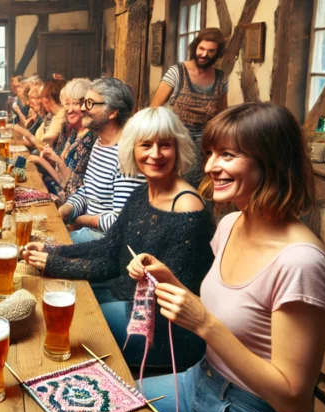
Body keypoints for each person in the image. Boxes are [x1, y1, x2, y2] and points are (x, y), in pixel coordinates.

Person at [133, 102, 325, 412]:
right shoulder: (230, 225)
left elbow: (292, 397)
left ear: (270, 161)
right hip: (201, 381)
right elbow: (225, 311)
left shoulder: (302, 263)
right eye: (210, 153)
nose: (211, 166)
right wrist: (169, 280)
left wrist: (205, 325)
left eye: (228, 154)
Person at [23, 107, 214, 369]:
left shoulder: (188, 210)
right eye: (146, 145)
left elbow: (162, 301)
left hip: (164, 332)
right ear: (132, 150)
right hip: (126, 298)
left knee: (71, 326)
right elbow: (110, 247)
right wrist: (52, 251)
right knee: (45, 307)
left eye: (165, 145)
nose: (155, 154)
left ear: (178, 148)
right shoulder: (142, 193)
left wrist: (55, 264)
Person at [58, 78, 144, 243]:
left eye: (90, 103)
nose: (83, 108)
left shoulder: (125, 153)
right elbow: (88, 191)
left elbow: (120, 221)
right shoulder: (100, 142)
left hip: (106, 242)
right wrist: (66, 209)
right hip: (89, 232)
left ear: (112, 112)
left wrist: (80, 220)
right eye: (83, 102)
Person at [150, 27, 229, 185]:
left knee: (200, 187)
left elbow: (221, 116)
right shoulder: (177, 72)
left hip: (205, 144)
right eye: (201, 49)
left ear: (218, 53)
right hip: (176, 139)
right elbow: (154, 108)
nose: (204, 54)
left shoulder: (220, 78)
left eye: (211, 51)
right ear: (195, 47)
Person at [29, 78, 96, 199]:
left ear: (86, 105)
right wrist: (47, 159)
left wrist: (47, 160)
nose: (69, 110)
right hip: (57, 191)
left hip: (74, 203)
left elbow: (78, 187)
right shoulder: (68, 129)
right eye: (67, 104)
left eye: (75, 103)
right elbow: (59, 175)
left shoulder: (91, 138)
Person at [14, 78, 65, 151]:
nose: (31, 102)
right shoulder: (50, 115)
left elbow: (44, 144)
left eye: (38, 97)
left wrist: (21, 134)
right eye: (31, 98)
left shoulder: (60, 115)